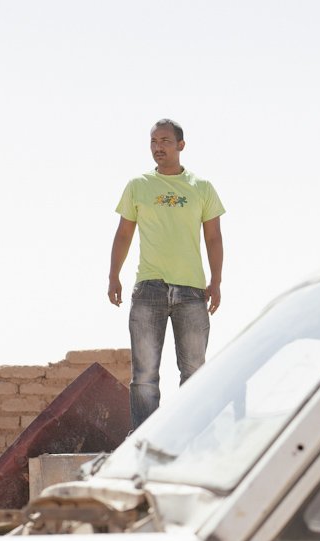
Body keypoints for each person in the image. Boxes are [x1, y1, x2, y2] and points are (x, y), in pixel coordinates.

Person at [108, 118, 226, 429]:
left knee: (194, 371)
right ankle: (145, 442)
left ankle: (190, 437)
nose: (158, 147)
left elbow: (214, 237)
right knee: (145, 375)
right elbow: (123, 234)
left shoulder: (201, 188)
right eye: (153, 142)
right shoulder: (138, 186)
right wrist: (113, 275)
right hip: (149, 289)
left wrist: (216, 280)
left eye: (165, 141)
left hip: (192, 292)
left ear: (180, 145)